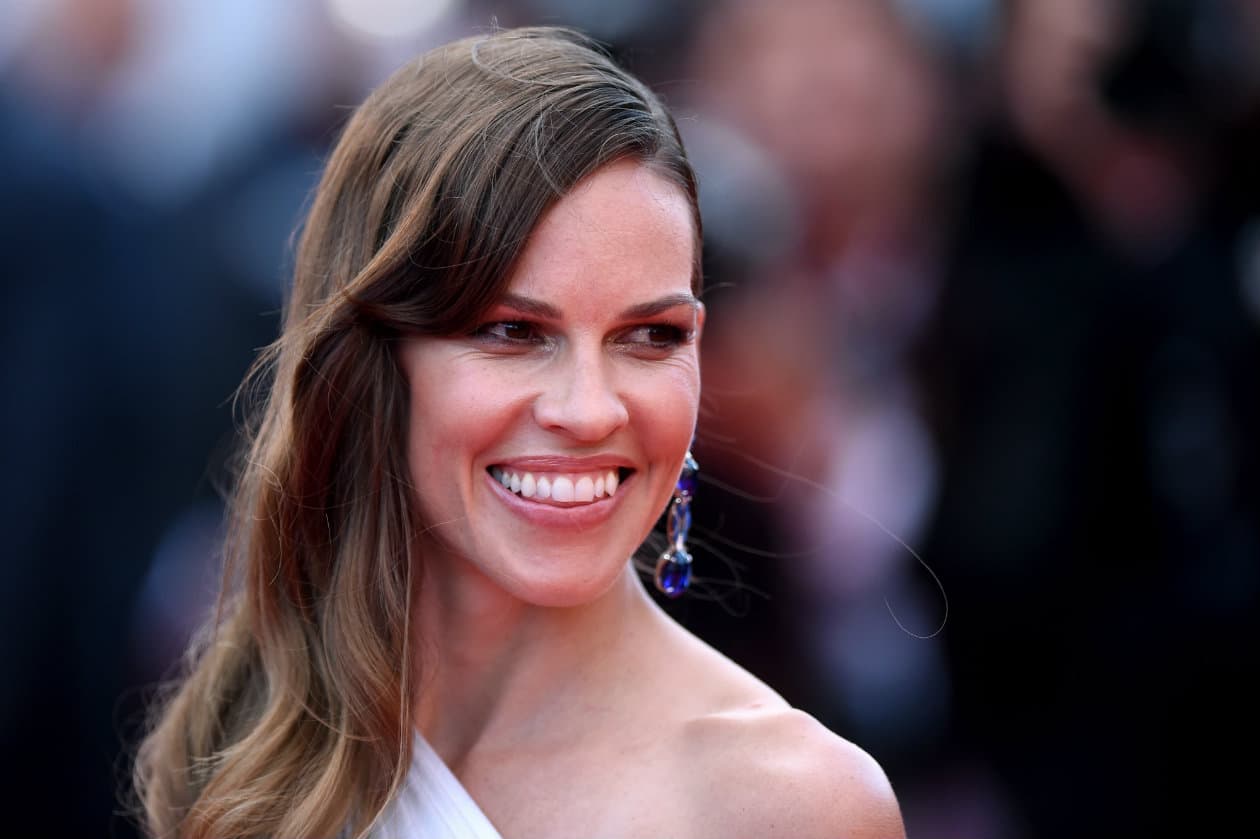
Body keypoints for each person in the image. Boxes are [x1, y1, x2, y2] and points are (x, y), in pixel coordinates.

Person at [133, 26, 906, 839]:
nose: (590, 410)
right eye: (513, 331)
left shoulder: (790, 803)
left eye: (650, 336)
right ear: (371, 360)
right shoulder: (255, 720)